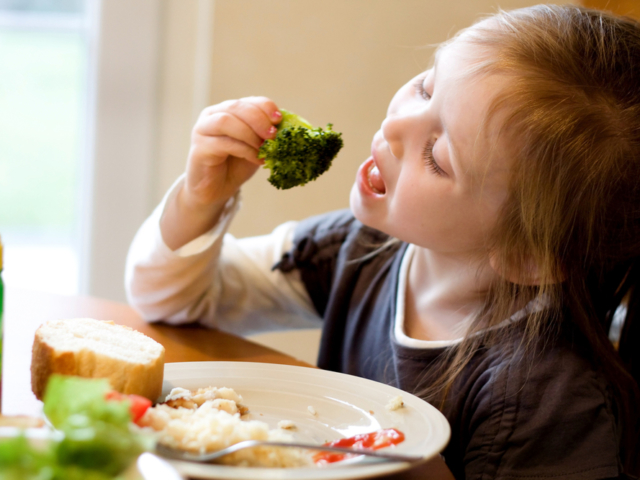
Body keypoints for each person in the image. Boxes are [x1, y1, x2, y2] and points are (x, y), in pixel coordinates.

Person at [126, 4, 640, 479]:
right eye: (426, 88)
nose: (394, 125)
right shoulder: (360, 248)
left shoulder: (548, 401)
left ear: (525, 256)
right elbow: (175, 300)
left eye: (438, 155)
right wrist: (199, 200)